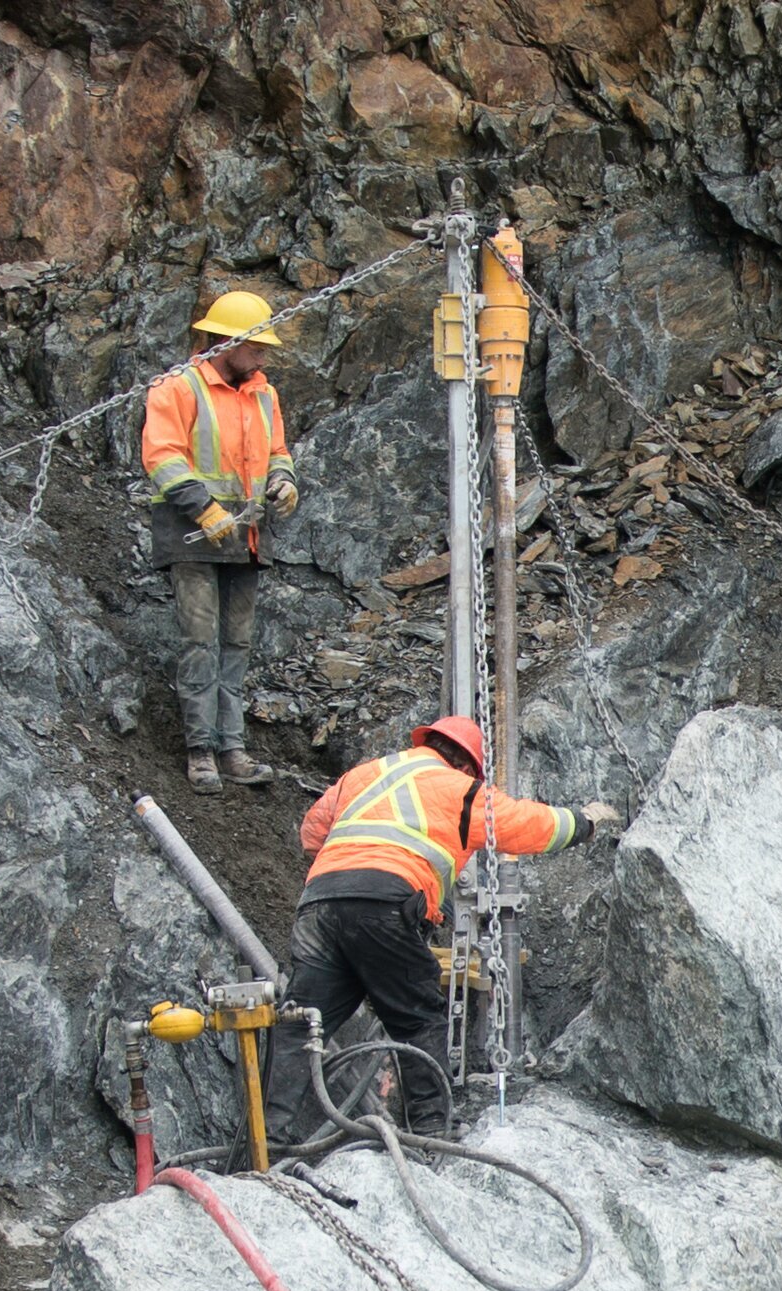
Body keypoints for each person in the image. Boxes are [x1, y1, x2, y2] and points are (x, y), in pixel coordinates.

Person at [283, 715, 620, 1139]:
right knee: (417, 1016)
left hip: (320, 902)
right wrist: (583, 822)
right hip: (384, 904)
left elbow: (312, 832)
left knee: (301, 1025)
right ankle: (432, 1131)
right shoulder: (456, 787)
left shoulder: (368, 773)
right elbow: (522, 825)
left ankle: (263, 1145)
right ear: (465, 765)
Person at [144, 290, 301, 795]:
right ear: (227, 341)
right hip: (192, 536)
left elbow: (277, 450)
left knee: (236, 643)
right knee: (201, 641)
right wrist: (204, 509)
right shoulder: (177, 389)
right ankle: (201, 751)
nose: (264, 355)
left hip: (245, 538)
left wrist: (284, 481)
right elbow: (163, 456)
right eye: (257, 346)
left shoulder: (263, 394)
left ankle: (231, 746)